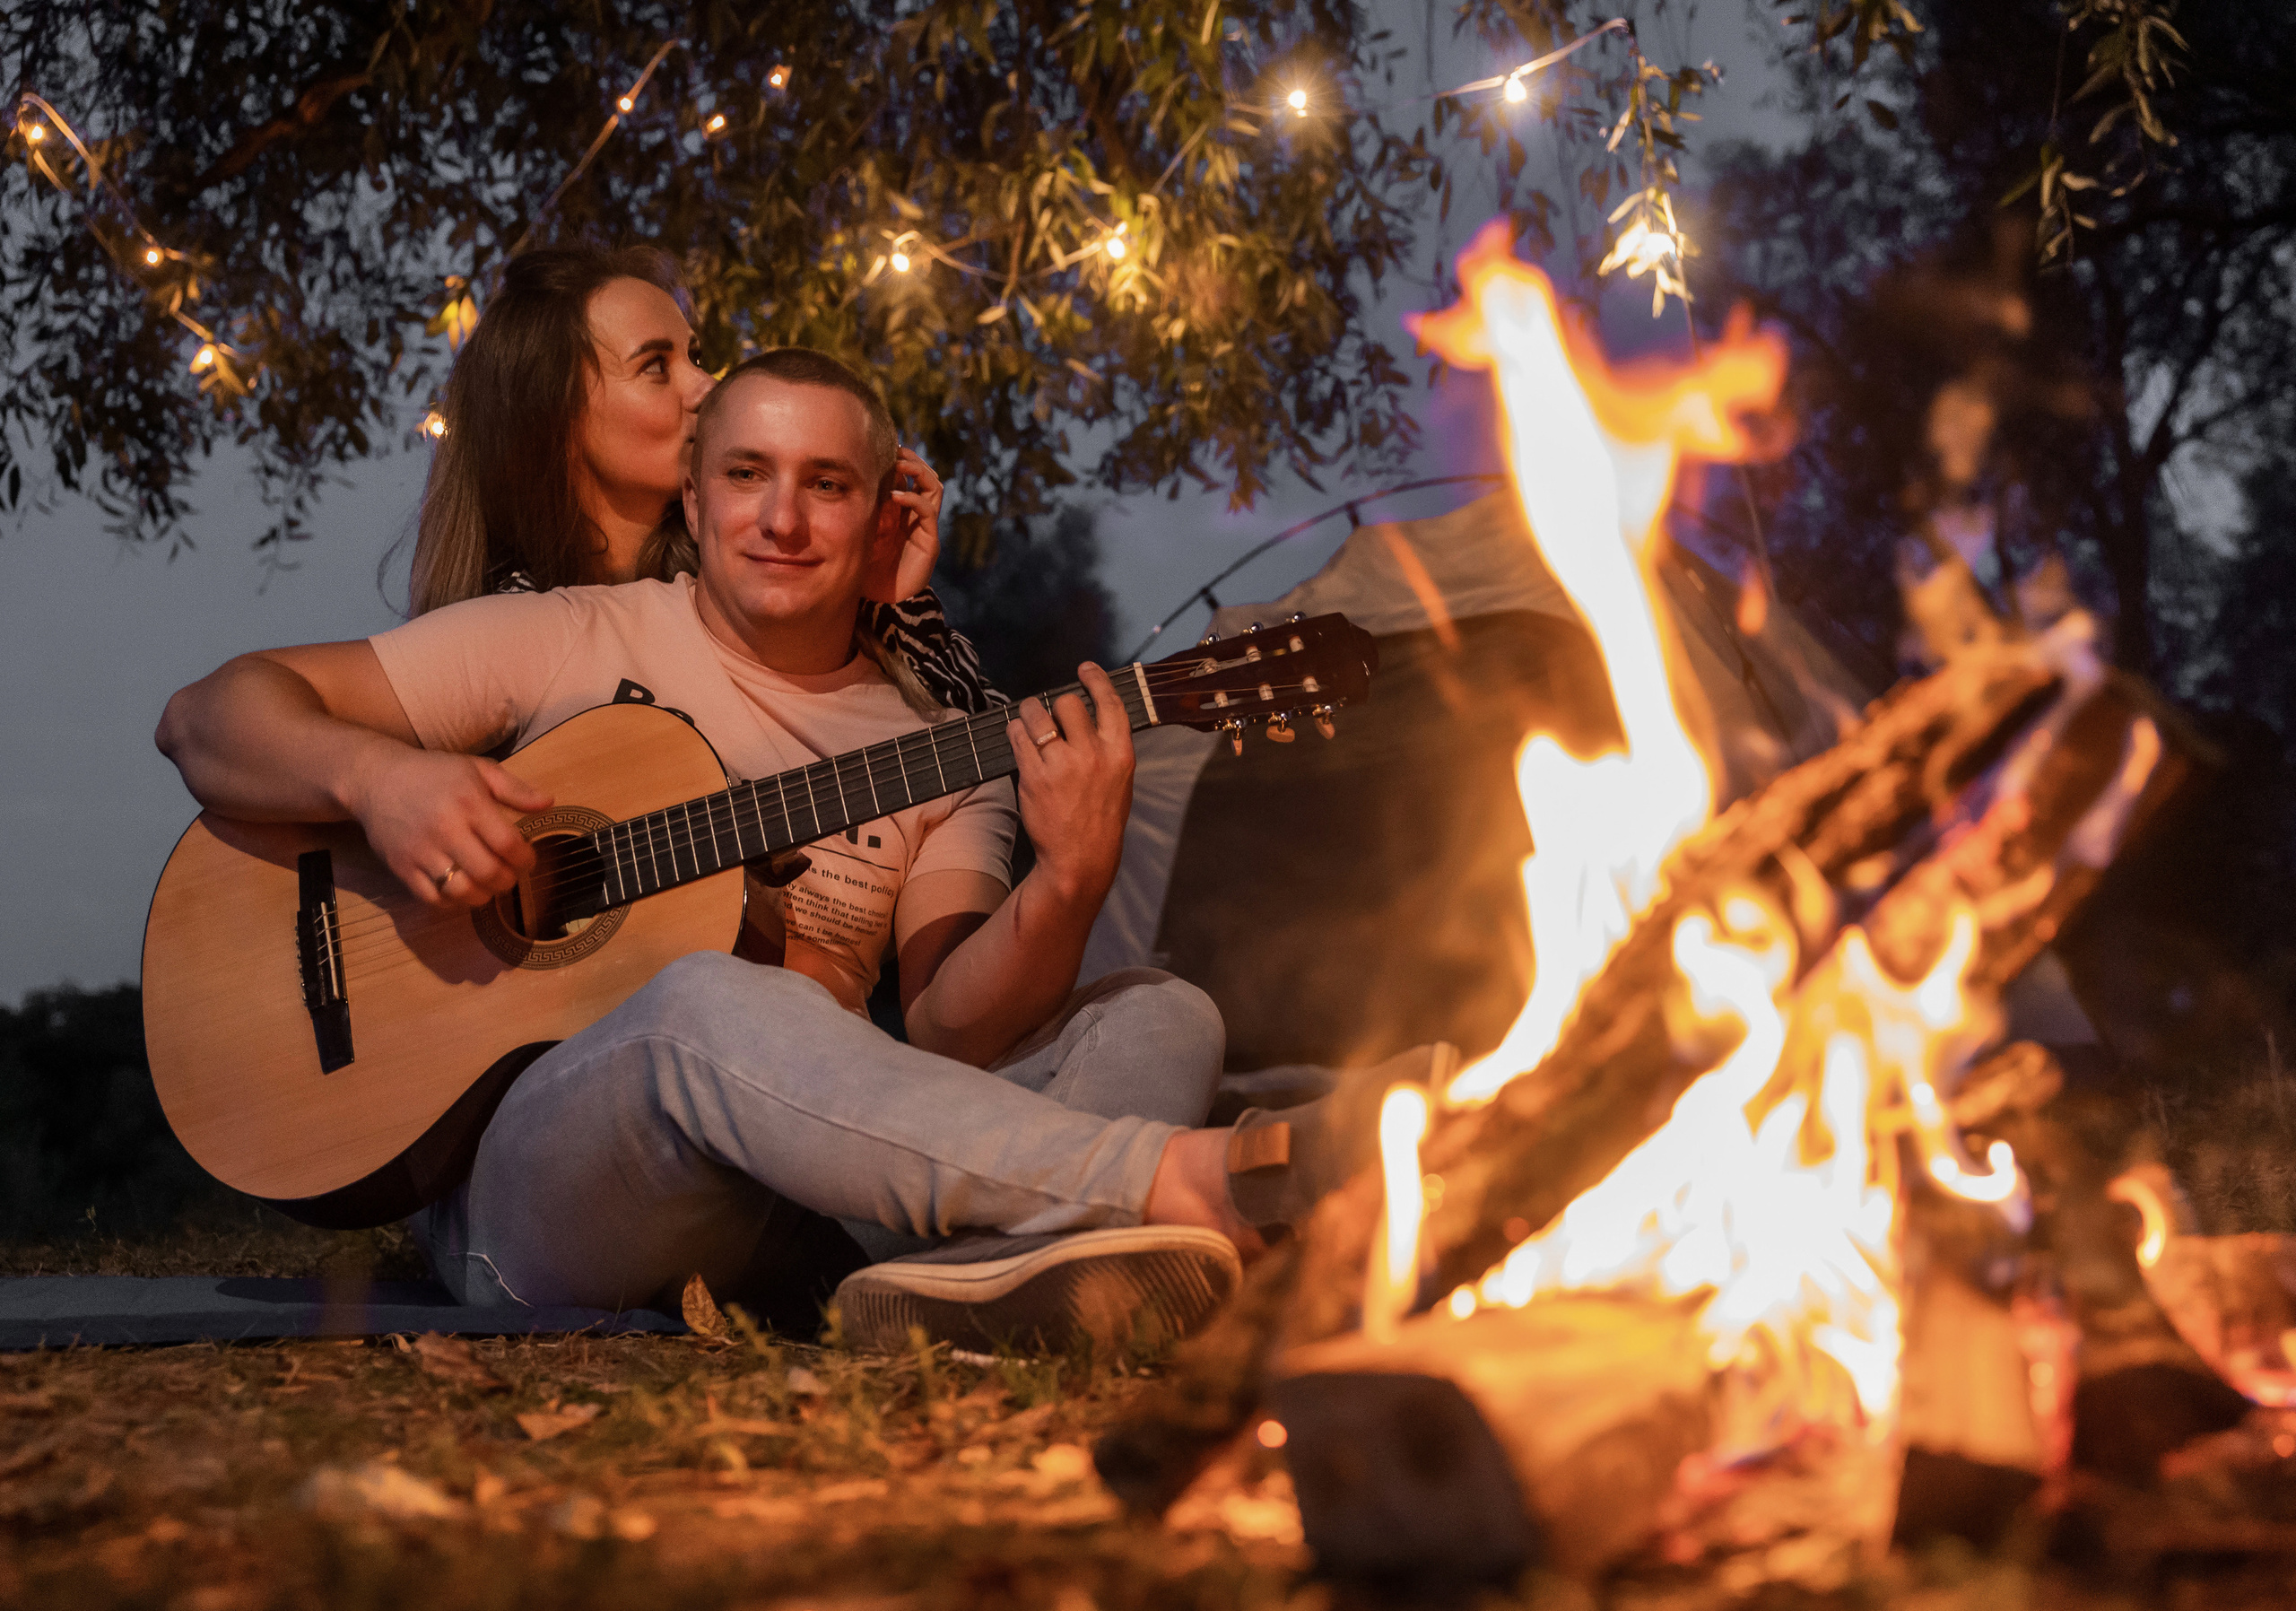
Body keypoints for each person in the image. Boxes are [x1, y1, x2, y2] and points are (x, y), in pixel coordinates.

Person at [156, 348, 1365, 1352]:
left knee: (1164, 1013)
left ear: (882, 507)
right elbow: (207, 718)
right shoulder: (565, 640)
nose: (781, 519)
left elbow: (951, 1030)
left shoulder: (945, 744)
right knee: (705, 1001)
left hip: (813, 1218)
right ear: (693, 499)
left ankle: (976, 1290)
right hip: (558, 1198)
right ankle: (1172, 1187)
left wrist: (1073, 876)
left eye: (825, 484)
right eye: (746, 474)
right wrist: (383, 780)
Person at [408, 244, 999, 718]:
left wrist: (878, 608)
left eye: (694, 355)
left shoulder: (748, 579)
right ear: (552, 417)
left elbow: (978, 773)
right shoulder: (507, 639)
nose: (706, 385)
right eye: (656, 367)